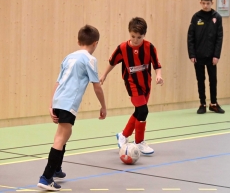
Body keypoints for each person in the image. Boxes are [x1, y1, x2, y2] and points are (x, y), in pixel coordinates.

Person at [37, 25, 107, 191]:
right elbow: (97, 86)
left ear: (78, 41)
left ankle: (56, 168)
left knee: (63, 134)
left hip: (58, 100)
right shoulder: (90, 59)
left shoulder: (68, 57)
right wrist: (103, 106)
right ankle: (46, 177)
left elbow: (58, 82)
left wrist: (51, 104)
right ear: (95, 43)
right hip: (69, 103)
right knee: (61, 138)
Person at [99, 17, 163, 155]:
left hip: (146, 84)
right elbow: (112, 62)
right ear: (129, 33)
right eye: (133, 36)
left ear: (144, 35)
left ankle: (123, 135)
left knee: (139, 111)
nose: (135, 40)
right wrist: (104, 75)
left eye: (139, 37)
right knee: (143, 111)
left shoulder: (149, 47)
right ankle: (139, 142)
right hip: (132, 84)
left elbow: (157, 64)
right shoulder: (122, 48)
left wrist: (159, 75)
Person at [187, 0, 225, 114]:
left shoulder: (217, 17)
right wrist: (192, 54)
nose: (205, 5)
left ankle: (213, 103)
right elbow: (190, 37)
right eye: (203, 3)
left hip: (212, 55)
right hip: (198, 55)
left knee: (213, 80)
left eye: (208, 3)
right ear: (200, 3)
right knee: (200, 79)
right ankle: (202, 103)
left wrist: (216, 55)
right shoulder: (196, 17)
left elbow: (219, 37)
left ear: (212, 4)